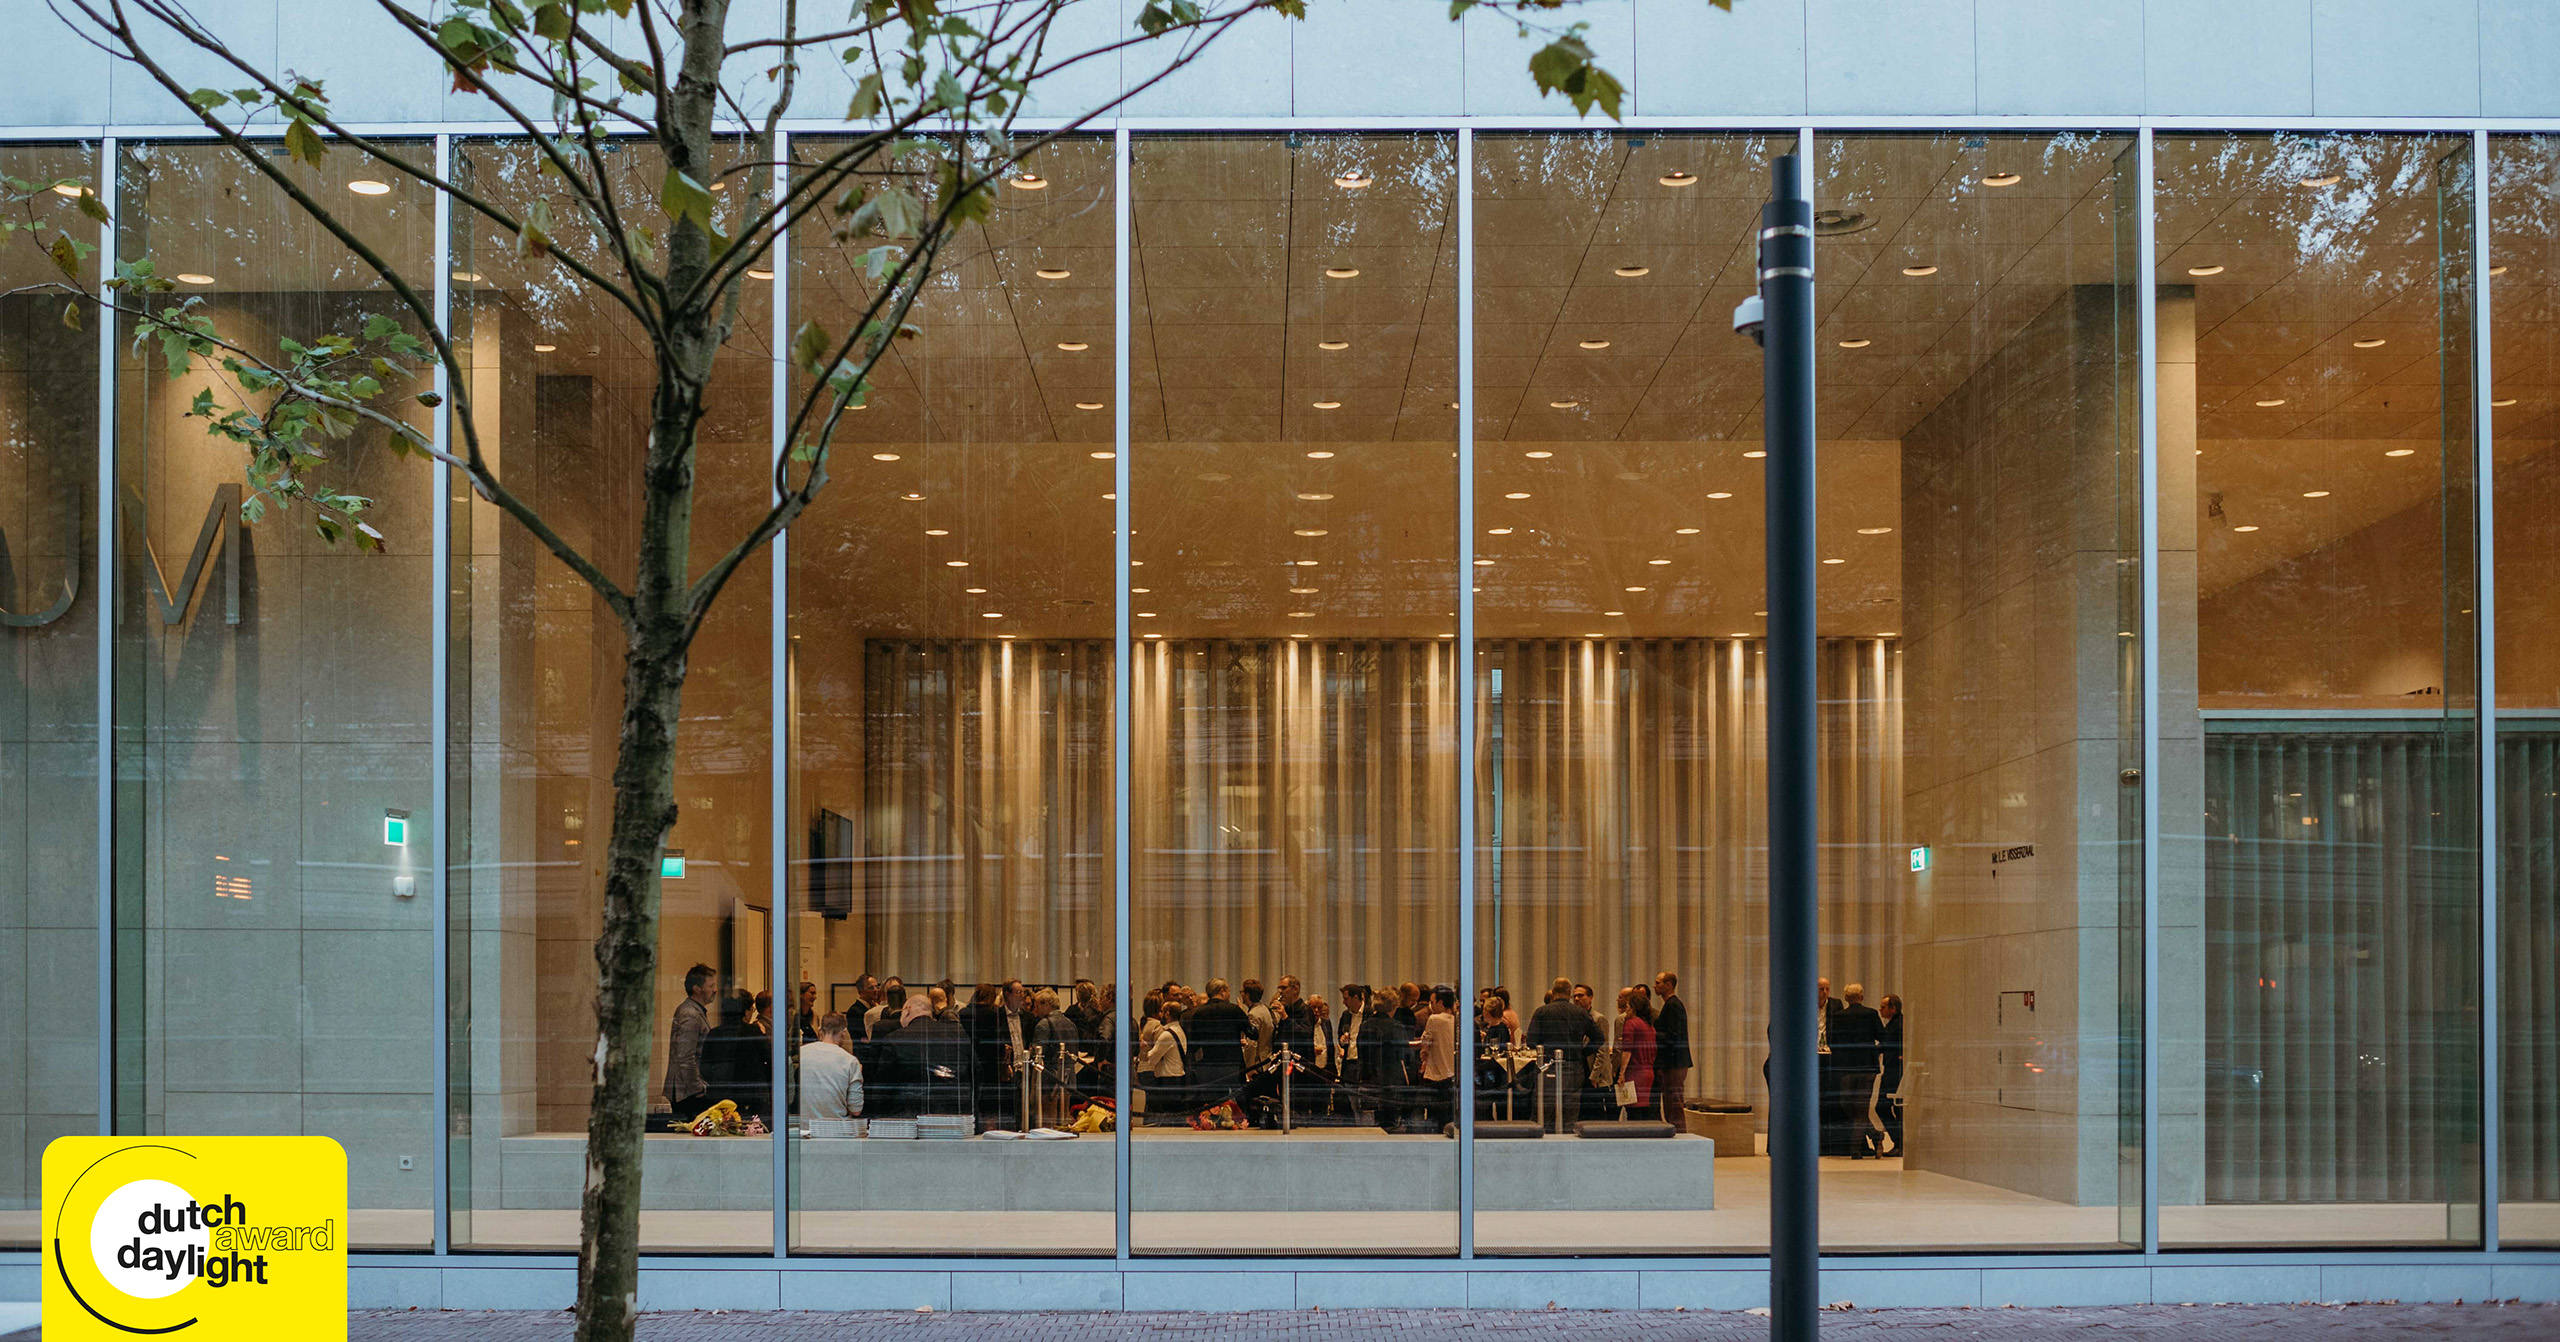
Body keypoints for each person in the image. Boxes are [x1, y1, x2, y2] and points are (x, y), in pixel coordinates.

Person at [1526, 977, 1603, 1127]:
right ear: (1569, 993)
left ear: (1553, 992)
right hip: (1574, 1067)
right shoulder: (1580, 1013)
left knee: (1544, 1113)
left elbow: (1531, 1041)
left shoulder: (1542, 1012)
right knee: (1569, 1114)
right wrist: (1582, 1053)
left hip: (1548, 1066)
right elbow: (1599, 1038)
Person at [1833, 983, 1885, 1157]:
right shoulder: (1871, 1014)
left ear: (1846, 998)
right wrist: (1874, 1051)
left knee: (1847, 1104)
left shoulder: (1838, 1017)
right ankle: (1874, 1135)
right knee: (1861, 1108)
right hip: (1867, 1066)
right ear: (1861, 997)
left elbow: (1833, 1041)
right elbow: (1882, 1037)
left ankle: (1856, 1148)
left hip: (1846, 1067)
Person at [1184, 978, 1253, 1104]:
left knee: (1213, 1105)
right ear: (1222, 991)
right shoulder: (1234, 1010)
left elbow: (1193, 1045)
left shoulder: (1199, 1013)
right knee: (1238, 1102)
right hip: (1232, 1065)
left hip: (1209, 1066)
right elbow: (1253, 1033)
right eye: (1228, 991)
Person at [664, 963, 717, 1121]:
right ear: (697, 989)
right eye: (711, 986)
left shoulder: (693, 1011)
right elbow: (685, 1055)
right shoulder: (691, 1014)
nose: (715, 990)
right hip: (688, 1092)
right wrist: (697, 1088)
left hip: (687, 1090)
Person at [799, 1012, 864, 1124]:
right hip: (836, 1128)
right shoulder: (850, 1061)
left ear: (820, 1030)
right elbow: (856, 1110)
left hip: (804, 1127)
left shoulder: (802, 1052)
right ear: (844, 1032)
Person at [1137, 996, 1189, 1122]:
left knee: (1167, 1116)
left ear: (1167, 1013)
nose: (1160, 1015)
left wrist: (1144, 1046)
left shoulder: (1166, 1035)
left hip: (1168, 1078)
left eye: (1162, 1011)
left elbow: (1152, 1058)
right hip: (1178, 1075)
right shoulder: (1180, 1030)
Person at [1653, 970, 1693, 1127]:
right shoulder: (1671, 1005)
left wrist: (1652, 1033)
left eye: (1658, 983)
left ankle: (1679, 1133)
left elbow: (1673, 1036)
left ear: (1668, 985)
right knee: (1670, 1102)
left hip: (1674, 1063)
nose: (1655, 986)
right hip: (1674, 1062)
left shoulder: (1673, 1005)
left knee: (1674, 1103)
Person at [1418, 985, 1459, 1130]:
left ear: (1441, 1003)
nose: (1431, 1005)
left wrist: (1423, 1053)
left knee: (1435, 1118)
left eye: (1432, 1002)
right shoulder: (1457, 1020)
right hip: (1454, 1075)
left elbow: (1425, 1043)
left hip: (1437, 1075)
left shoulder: (1434, 1019)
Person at [1614, 986, 1657, 1121]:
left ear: (1634, 1008)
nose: (1626, 1009)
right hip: (1648, 1072)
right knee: (1644, 1111)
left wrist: (1621, 1073)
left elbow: (1627, 1051)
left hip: (1634, 1072)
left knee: (1633, 1112)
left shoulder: (1631, 1023)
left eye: (1628, 1006)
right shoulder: (1649, 1025)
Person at [1876, 992, 1906, 1157]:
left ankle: (1899, 1142)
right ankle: (1900, 1143)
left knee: (1883, 1106)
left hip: (1895, 1072)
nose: (1880, 1010)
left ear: (1892, 1008)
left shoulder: (1898, 1026)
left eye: (1883, 1007)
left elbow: (1887, 1046)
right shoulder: (1895, 1024)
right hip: (1893, 1070)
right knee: (1893, 1108)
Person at [1240, 978, 1273, 1069]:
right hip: (1266, 1059)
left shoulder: (1253, 1014)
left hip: (1257, 1063)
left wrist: (1250, 1067)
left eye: (1242, 992)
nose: (1241, 994)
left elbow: (1252, 1044)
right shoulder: (1264, 1009)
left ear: (1247, 995)